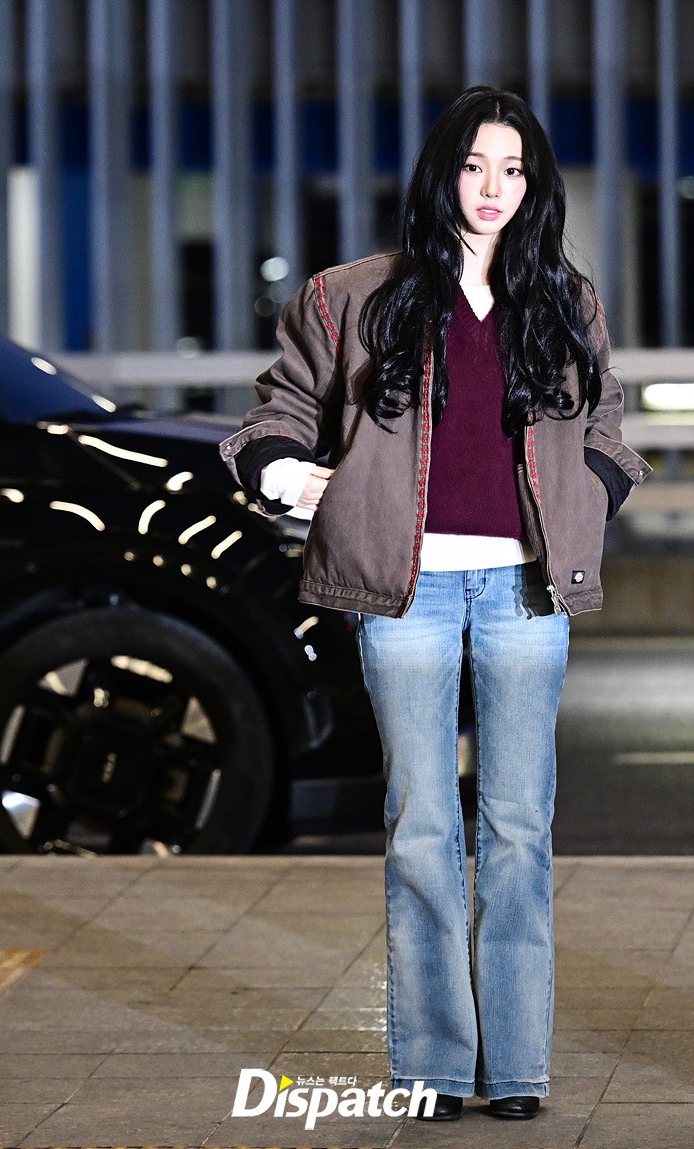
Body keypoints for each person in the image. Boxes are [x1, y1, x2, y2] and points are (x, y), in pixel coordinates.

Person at [220, 86, 650, 1122]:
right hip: (401, 589)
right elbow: (280, 411)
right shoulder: (353, 296)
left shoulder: (564, 300)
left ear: (534, 185)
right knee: (419, 824)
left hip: (524, 589)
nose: (493, 187)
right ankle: (434, 1065)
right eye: (474, 165)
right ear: (441, 174)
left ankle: (517, 1066)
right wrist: (283, 474)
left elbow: (605, 426)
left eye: (514, 169)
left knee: (518, 827)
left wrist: (590, 496)